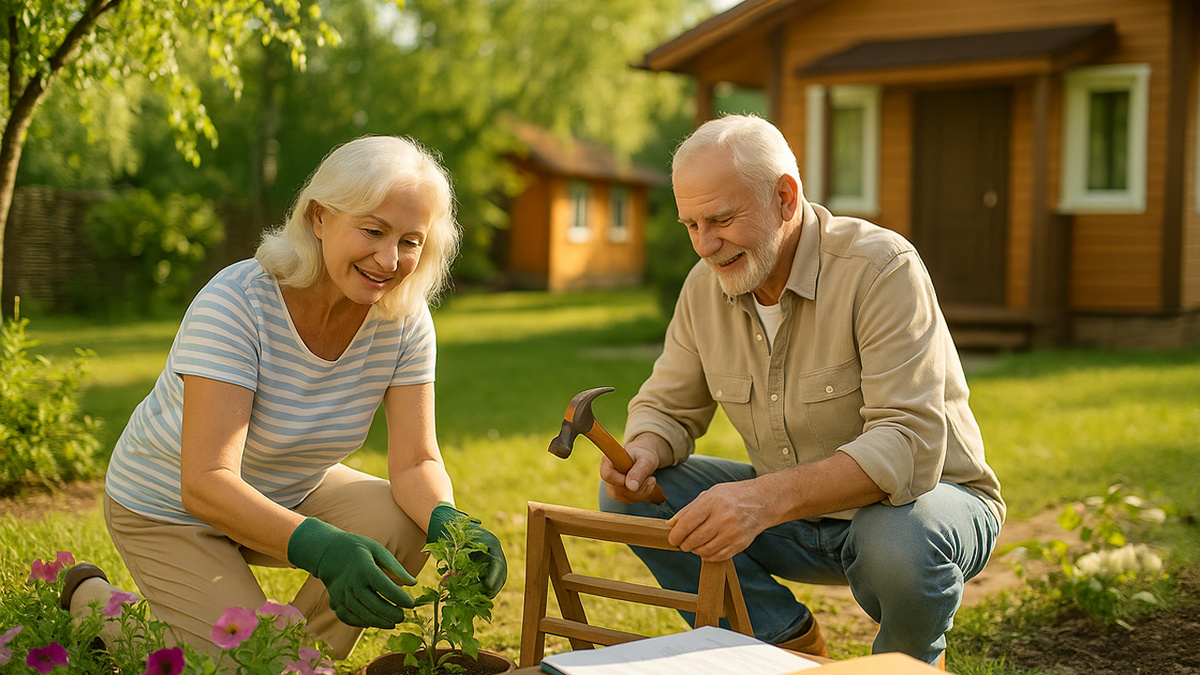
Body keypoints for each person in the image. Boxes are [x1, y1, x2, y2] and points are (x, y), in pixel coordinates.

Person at [61, 135, 507, 660]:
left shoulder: (402, 318)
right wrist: (321, 547)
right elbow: (205, 482)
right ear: (319, 217)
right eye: (373, 230)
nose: (390, 260)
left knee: (404, 518)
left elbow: (415, 460)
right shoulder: (237, 302)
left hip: (287, 489)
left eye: (411, 240)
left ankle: (300, 663)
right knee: (244, 658)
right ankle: (90, 603)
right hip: (170, 506)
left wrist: (450, 524)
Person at [598, 114, 1003, 668]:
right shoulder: (703, 290)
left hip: (925, 511)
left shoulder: (881, 268)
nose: (705, 245)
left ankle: (902, 665)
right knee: (640, 497)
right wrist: (644, 447)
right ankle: (779, 640)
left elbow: (907, 443)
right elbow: (667, 406)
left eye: (720, 219)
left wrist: (762, 501)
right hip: (792, 519)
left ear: (785, 197)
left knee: (898, 538)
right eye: (690, 225)